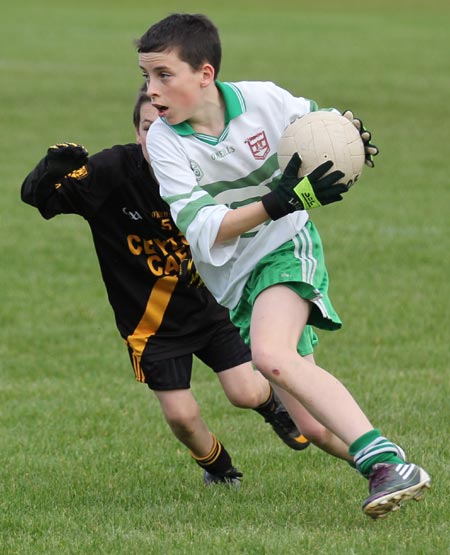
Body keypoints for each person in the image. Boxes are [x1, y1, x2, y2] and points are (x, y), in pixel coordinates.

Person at [136, 13, 431, 518]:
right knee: (316, 428)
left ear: (205, 74)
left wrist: (348, 141)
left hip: (285, 249)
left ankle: (384, 462)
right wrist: (278, 200)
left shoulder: (265, 101)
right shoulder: (165, 141)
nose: (152, 91)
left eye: (164, 75)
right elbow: (204, 230)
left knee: (271, 357)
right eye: (146, 76)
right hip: (236, 282)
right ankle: (396, 467)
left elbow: (322, 126)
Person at [20, 89, 315, 487]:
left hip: (210, 306)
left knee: (245, 392)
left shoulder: (204, 166)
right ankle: (219, 469)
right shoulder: (111, 173)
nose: (155, 136)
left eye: (165, 126)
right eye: (146, 127)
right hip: (151, 324)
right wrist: (51, 169)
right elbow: (39, 199)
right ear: (137, 132)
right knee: (181, 417)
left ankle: (273, 407)